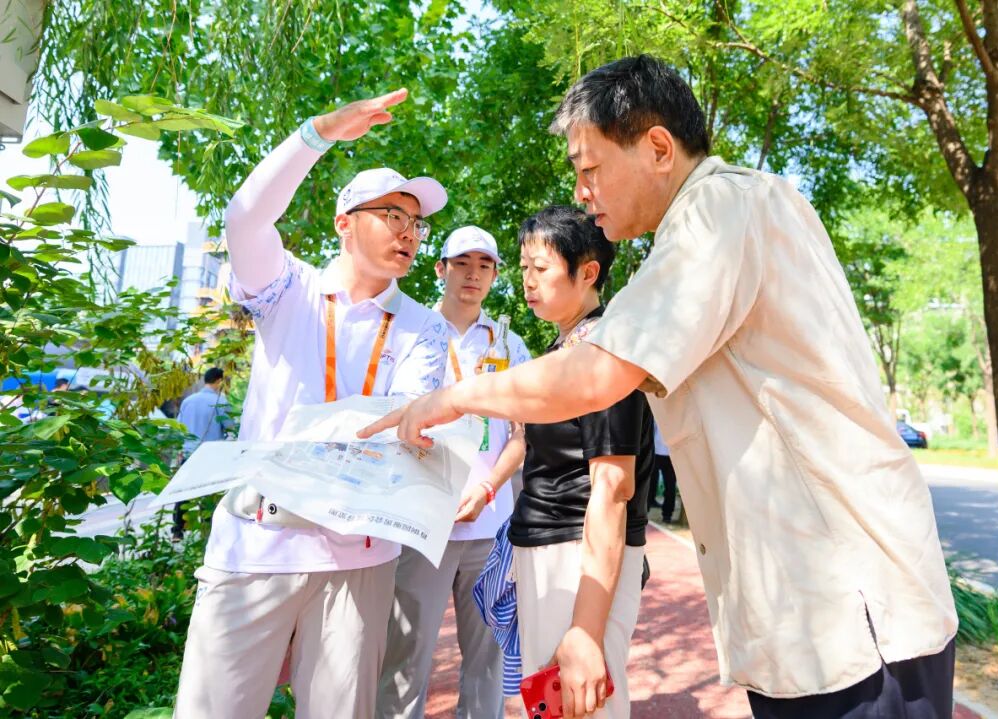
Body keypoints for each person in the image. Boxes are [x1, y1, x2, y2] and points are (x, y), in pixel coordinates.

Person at [361, 56, 958, 719]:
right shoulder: (724, 217)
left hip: (849, 608)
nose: (583, 192)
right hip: (808, 607)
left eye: (591, 168)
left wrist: (447, 399)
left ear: (658, 148)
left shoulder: (719, 208)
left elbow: (594, 376)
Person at [174, 89, 450, 719]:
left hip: (360, 556)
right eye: (393, 214)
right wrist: (317, 133)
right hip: (258, 541)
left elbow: (403, 423)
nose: (409, 232)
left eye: (417, 223)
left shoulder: (424, 326)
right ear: (344, 222)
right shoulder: (288, 288)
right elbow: (245, 219)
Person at [376, 225, 530, 719]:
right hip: (423, 525)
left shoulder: (510, 344)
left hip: (490, 524)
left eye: (484, 265)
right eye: (462, 263)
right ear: (440, 268)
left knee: (488, 661)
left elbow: (522, 436)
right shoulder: (413, 335)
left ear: (496, 275)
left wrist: (487, 488)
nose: (473, 274)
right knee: (406, 656)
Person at [511, 206, 654, 719]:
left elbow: (613, 488)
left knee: (580, 703)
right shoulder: (568, 346)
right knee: (556, 703)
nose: (528, 281)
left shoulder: (602, 351)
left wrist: (586, 630)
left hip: (576, 554)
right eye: (523, 268)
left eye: (540, 268)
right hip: (555, 549)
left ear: (588, 272)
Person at [171, 367, 232, 540]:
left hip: (188, 454)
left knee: (183, 493)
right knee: (208, 493)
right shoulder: (221, 401)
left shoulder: (188, 401)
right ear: (219, 381)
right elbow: (230, 427)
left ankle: (177, 530)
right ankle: (207, 531)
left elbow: (180, 428)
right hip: (210, 456)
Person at [648, 423, 677, 523]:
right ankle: (667, 515)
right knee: (670, 485)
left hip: (657, 450)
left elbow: (652, 430)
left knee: (650, 482)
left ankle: (646, 509)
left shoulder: (658, 414)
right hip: (671, 452)